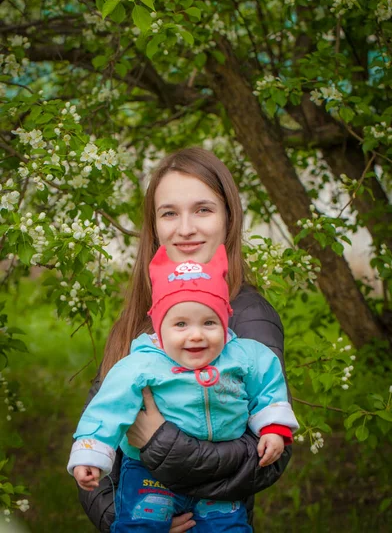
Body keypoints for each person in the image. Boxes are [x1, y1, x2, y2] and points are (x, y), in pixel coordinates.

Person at [77, 147, 293, 533]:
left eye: (203, 209)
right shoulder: (139, 314)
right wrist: (122, 519)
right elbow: (98, 425)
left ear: (229, 217)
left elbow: (263, 461)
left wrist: (157, 440)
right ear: (155, 225)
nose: (185, 227)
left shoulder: (248, 316)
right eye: (169, 213)